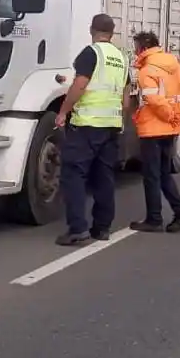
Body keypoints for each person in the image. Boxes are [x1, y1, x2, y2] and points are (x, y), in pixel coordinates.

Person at [53, 13, 131, 246]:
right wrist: (120, 119)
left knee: (74, 175)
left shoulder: (91, 53)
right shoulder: (121, 57)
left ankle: (78, 228)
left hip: (87, 125)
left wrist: (64, 111)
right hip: (111, 126)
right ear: (112, 33)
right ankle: (102, 228)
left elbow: (80, 85)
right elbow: (126, 98)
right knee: (104, 177)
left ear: (92, 30)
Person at [127, 31, 180, 234]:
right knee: (163, 173)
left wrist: (169, 115)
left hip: (153, 129)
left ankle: (154, 219)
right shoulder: (175, 66)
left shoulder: (146, 71)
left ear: (142, 48)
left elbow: (154, 100)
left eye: (136, 48)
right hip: (171, 130)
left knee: (151, 175)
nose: (135, 52)